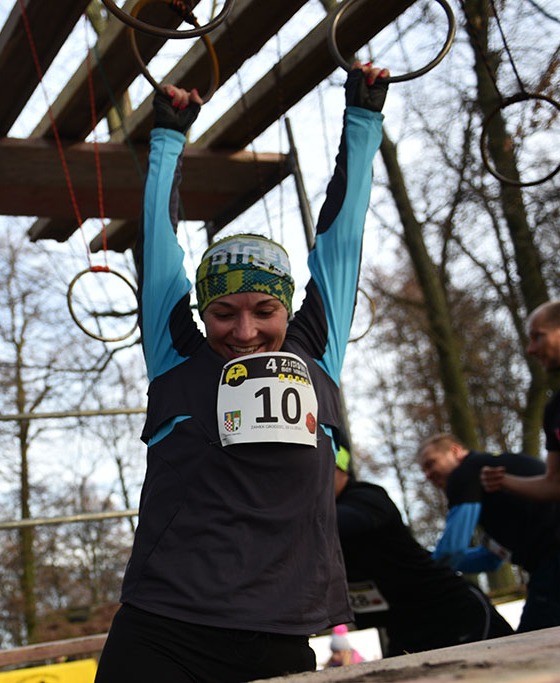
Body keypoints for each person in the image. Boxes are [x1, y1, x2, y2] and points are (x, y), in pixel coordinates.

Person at [94, 63, 388, 682]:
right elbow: (159, 242)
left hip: (276, 632)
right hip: (163, 630)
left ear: (287, 308)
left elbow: (343, 235)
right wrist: (168, 137)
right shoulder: (177, 353)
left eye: (264, 311)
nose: (245, 331)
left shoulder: (317, 353)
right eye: (223, 313)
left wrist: (362, 118)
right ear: (202, 313)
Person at [335, 457, 513, 656]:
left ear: (337, 468)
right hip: (404, 626)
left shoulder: (366, 498)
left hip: (455, 613)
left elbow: (333, 523)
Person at [419, 433, 560, 630]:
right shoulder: (491, 488)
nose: (427, 474)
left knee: (537, 643)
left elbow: (451, 551)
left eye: (431, 463)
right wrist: (436, 559)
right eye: (423, 469)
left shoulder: (465, 472)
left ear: (455, 451)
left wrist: (424, 567)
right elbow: (490, 558)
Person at [481, 299, 560, 593]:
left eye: (538, 336)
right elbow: (556, 484)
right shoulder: (556, 410)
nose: (531, 349)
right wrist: (503, 481)